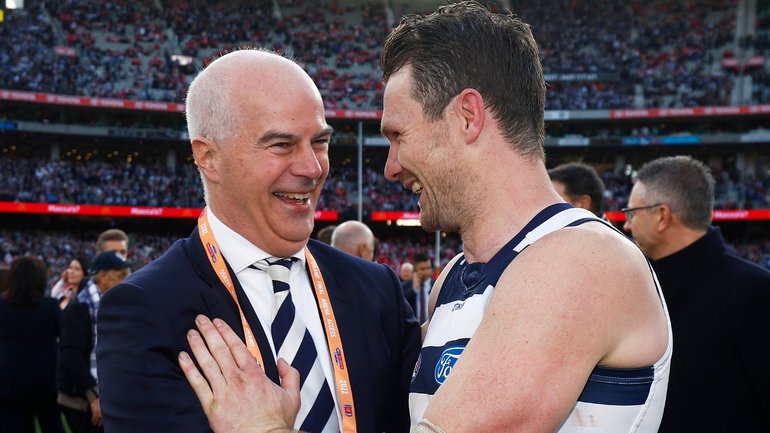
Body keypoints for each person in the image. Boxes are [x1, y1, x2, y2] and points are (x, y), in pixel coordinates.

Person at [174, 3, 672, 433]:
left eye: (398, 136)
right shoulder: (454, 279)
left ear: (467, 116)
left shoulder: (579, 260)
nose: (391, 167)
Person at [96, 48, 420, 433]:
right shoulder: (145, 310)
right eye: (281, 145)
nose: (312, 168)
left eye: (319, 142)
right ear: (209, 157)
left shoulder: (376, 290)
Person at [622, 155, 770, 432]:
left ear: (662, 216)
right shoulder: (639, 289)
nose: (627, 225)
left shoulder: (754, 293)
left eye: (632, 213)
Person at [58, 251, 133, 433]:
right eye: (120, 275)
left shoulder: (100, 302)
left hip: (96, 394)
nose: (125, 280)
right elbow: (71, 357)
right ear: (102, 276)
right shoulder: (81, 306)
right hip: (82, 400)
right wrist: (94, 397)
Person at [0, 256, 65, 433]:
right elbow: (65, 336)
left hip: (9, 384)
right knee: (52, 426)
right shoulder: (50, 307)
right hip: (44, 383)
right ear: (40, 278)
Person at [50, 228, 128, 304]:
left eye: (123, 252)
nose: (119, 257)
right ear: (99, 255)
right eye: (113, 253)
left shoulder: (134, 284)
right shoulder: (89, 292)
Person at [401, 253, 433, 323]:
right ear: (415, 270)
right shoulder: (404, 287)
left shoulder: (437, 286)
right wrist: (414, 290)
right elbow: (401, 306)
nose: (426, 272)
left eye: (428, 268)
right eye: (422, 269)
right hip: (412, 330)